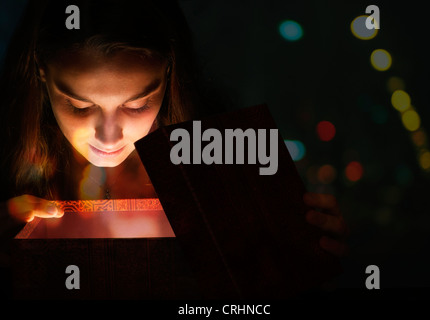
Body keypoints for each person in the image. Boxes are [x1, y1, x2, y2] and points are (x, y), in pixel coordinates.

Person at [0, 0, 348, 292]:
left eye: (137, 105)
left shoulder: (227, 162)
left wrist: (308, 264)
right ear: (40, 72)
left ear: (169, 73)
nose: (109, 137)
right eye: (79, 106)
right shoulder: (8, 163)